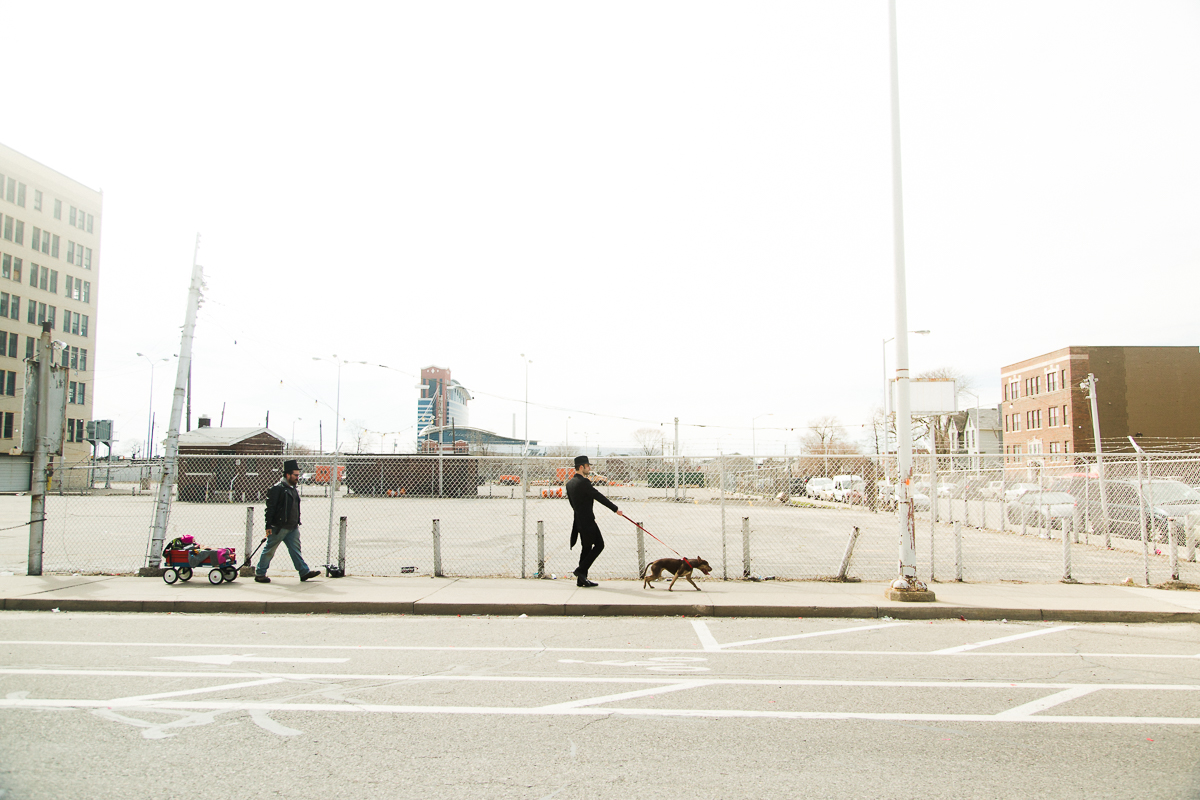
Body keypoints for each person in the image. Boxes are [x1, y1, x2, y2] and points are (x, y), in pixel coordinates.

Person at [256, 459, 321, 583]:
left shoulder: (292, 489)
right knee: (269, 550)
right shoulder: (277, 489)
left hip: (292, 527)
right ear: (287, 475)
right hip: (279, 527)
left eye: (298, 475)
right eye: (295, 475)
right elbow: (270, 508)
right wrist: (268, 525)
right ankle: (260, 573)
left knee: (295, 550)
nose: (297, 477)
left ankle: (304, 572)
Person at [565, 455, 618, 587]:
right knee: (599, 545)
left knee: (586, 548)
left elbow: (572, 504)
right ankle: (580, 571)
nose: (589, 468)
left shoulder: (569, 484)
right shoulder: (584, 482)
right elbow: (598, 496)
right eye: (588, 466)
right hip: (588, 521)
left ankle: (581, 579)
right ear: (581, 467)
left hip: (578, 521)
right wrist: (615, 509)